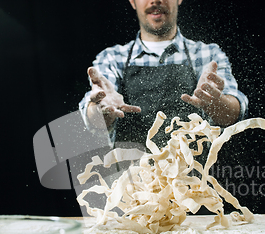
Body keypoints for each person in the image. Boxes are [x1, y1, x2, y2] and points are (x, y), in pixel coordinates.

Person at [79, 0, 248, 150]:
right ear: (132, 1)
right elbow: (94, 121)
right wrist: (101, 110)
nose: (155, 1)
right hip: (130, 182)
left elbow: (233, 114)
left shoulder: (207, 54)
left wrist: (215, 102)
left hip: (192, 182)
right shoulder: (112, 58)